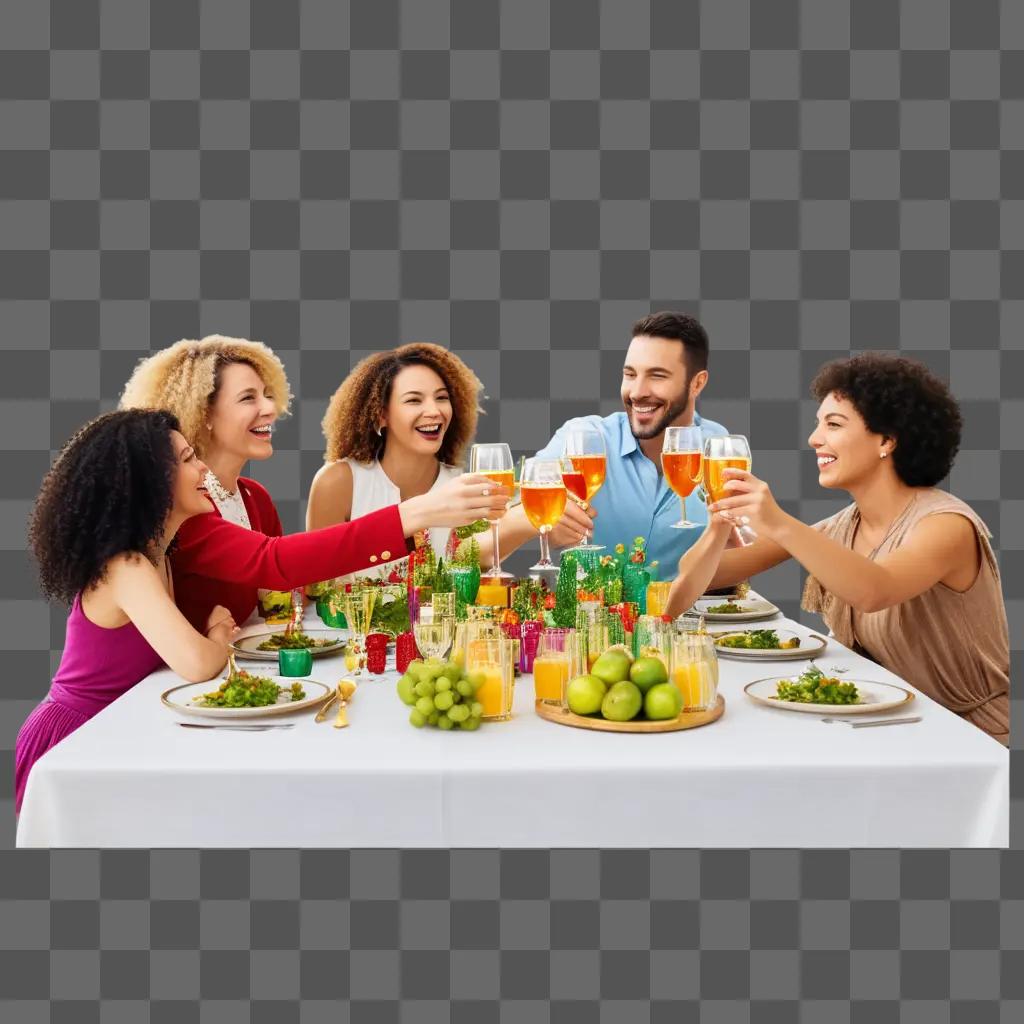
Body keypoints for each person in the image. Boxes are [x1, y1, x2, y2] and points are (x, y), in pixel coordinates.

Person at [667, 353, 1009, 744]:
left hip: (970, 738)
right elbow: (705, 576)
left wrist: (777, 521)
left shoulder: (947, 525)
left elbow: (874, 590)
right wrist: (719, 522)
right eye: (818, 424)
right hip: (886, 728)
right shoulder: (843, 526)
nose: (815, 438)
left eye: (833, 424)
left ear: (887, 440)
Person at [119, 336, 508, 629]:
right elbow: (275, 563)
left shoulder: (254, 499)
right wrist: (417, 512)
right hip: (157, 692)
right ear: (203, 412)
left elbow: (290, 591)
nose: (270, 408)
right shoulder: (185, 506)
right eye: (248, 398)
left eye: (268, 394)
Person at [15, 410, 239, 812]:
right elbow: (197, 664)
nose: (203, 466)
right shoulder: (127, 567)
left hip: (110, 734)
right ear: (150, 483)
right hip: (70, 739)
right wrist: (218, 636)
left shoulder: (159, 555)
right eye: (188, 459)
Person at [491, 311, 728, 573]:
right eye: (630, 374)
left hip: (689, 613)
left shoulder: (718, 447)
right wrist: (531, 520)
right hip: (594, 611)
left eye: (657, 376)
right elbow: (475, 546)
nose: (637, 392)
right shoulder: (582, 438)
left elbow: (742, 544)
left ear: (697, 384)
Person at [307, 343, 480, 576]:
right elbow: (315, 582)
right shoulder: (338, 482)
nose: (434, 411)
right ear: (381, 414)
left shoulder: (464, 486)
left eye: (441, 398)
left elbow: (483, 565)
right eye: (414, 400)